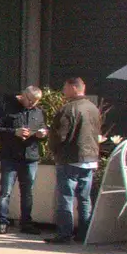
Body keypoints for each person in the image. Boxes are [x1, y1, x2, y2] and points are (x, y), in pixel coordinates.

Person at [47, 77, 102, 245]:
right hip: (90, 158)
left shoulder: (68, 109)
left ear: (73, 88)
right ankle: (84, 234)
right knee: (85, 198)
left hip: (70, 157)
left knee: (66, 197)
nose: (63, 91)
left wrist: (54, 150)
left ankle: (64, 234)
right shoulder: (93, 108)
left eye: (65, 87)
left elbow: (59, 135)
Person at [0, 86, 47, 235]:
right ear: (23, 95)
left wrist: (43, 133)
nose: (32, 104)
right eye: (30, 100)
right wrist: (14, 132)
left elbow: (43, 127)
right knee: (6, 191)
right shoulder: (7, 108)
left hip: (30, 157)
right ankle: (2, 222)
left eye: (36, 101)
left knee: (27, 192)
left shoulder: (38, 112)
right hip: (10, 156)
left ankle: (26, 223)